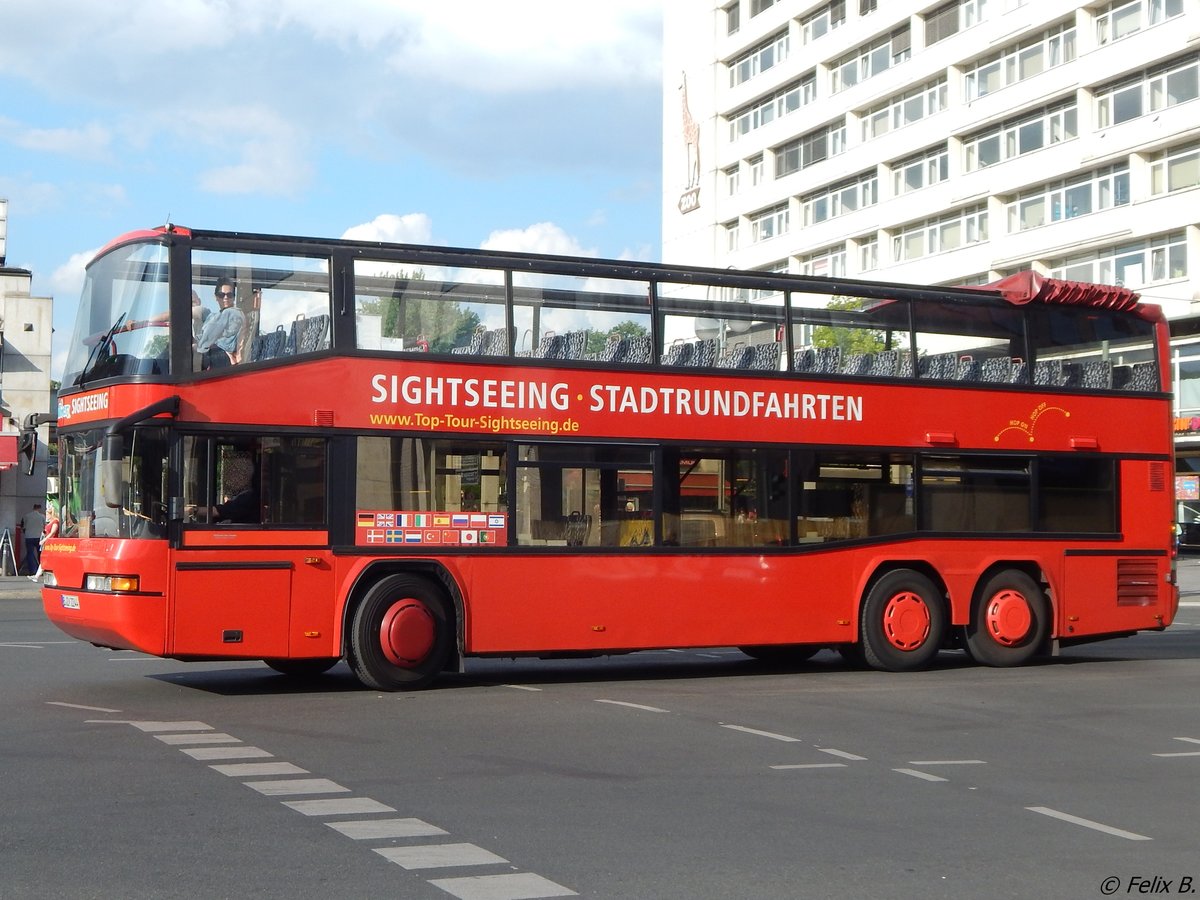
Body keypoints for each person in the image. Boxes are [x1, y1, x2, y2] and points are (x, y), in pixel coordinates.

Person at [195, 278, 246, 370]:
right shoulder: (215, 316)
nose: (225, 298)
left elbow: (208, 339)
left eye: (229, 295)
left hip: (224, 359)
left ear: (234, 297)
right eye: (221, 295)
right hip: (222, 357)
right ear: (216, 297)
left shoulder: (233, 313)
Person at [28, 504, 60, 582]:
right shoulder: (51, 522)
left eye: (47, 514)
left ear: (51, 514)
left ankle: (38, 576)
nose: (46, 516)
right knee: (45, 559)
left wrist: (44, 540)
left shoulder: (55, 522)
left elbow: (53, 533)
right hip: (48, 544)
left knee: (47, 560)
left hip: (52, 544)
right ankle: (36, 576)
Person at [20, 503, 45, 575]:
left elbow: (23, 526)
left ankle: (32, 570)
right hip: (39, 537)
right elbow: (44, 527)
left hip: (29, 537)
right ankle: (41, 570)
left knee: (30, 553)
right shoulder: (42, 516)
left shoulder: (26, 516)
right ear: (39, 508)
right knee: (40, 553)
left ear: (33, 508)